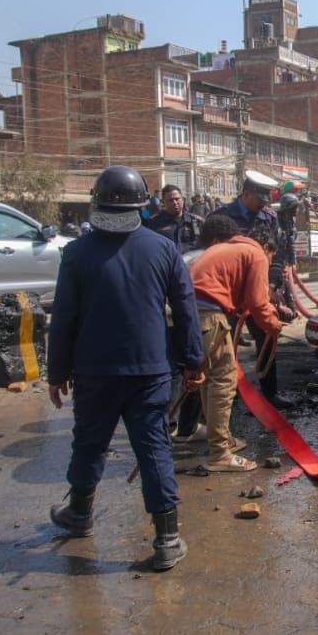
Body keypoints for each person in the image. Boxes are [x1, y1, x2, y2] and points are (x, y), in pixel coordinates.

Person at [46, 165, 204, 572]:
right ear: (144, 204)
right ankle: (167, 539)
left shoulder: (77, 253)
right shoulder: (162, 248)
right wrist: (192, 362)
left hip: (93, 371)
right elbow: (186, 310)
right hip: (150, 370)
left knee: (89, 442)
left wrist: (57, 371)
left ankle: (79, 514)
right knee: (154, 448)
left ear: (96, 202)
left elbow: (63, 317)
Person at [188, 216, 286, 472]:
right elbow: (257, 303)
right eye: (272, 258)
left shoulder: (230, 248)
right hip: (208, 315)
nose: (269, 263)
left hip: (189, 312)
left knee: (209, 379)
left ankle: (219, 439)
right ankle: (220, 453)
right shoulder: (256, 254)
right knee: (223, 379)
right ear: (268, 248)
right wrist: (273, 325)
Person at [211, 171, 297, 403]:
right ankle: (230, 393)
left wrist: (270, 283)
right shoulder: (221, 217)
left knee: (266, 338)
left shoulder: (268, 217)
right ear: (246, 194)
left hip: (258, 289)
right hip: (227, 294)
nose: (264, 204)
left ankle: (270, 394)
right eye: (260, 198)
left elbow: (276, 253)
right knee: (223, 344)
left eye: (266, 200)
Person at [146, 184, 203, 253]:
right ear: (163, 202)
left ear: (182, 199)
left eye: (177, 199)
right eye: (170, 200)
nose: (175, 203)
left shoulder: (196, 221)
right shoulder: (154, 223)